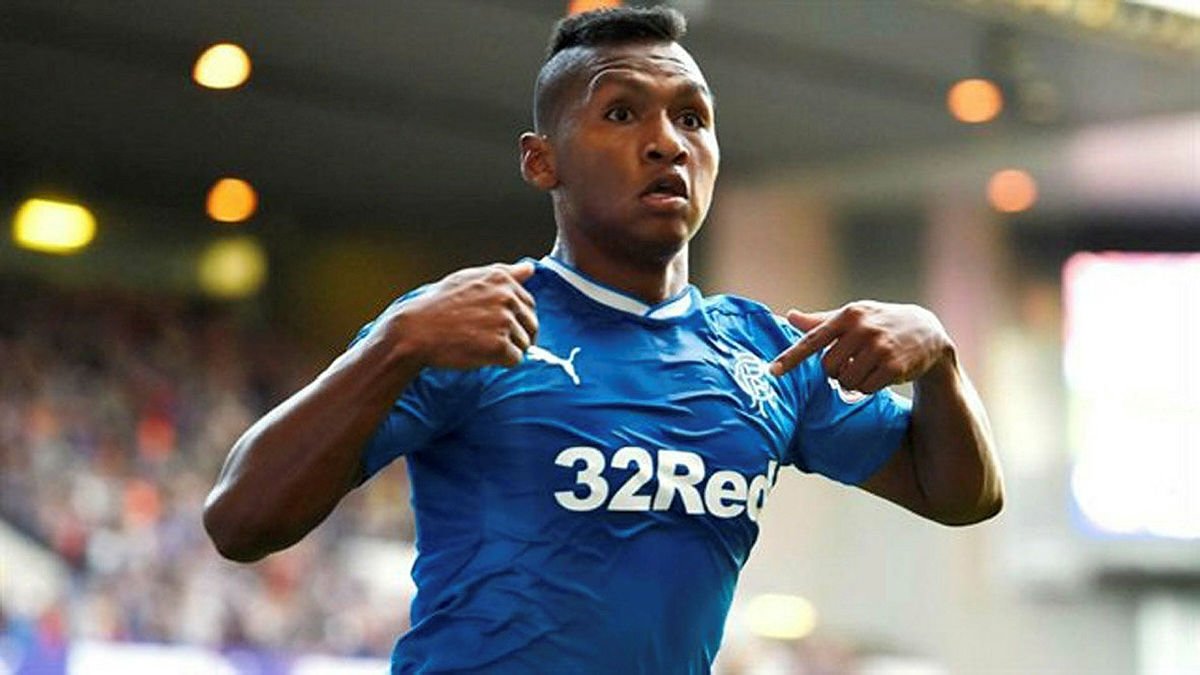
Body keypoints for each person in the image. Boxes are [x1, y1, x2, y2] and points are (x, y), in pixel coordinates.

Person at [203, 6, 1004, 673]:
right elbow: (239, 521)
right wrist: (393, 346)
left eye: (692, 117)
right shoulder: (467, 322)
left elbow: (960, 496)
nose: (667, 142)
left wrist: (940, 361)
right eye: (622, 113)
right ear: (541, 161)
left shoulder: (768, 351)